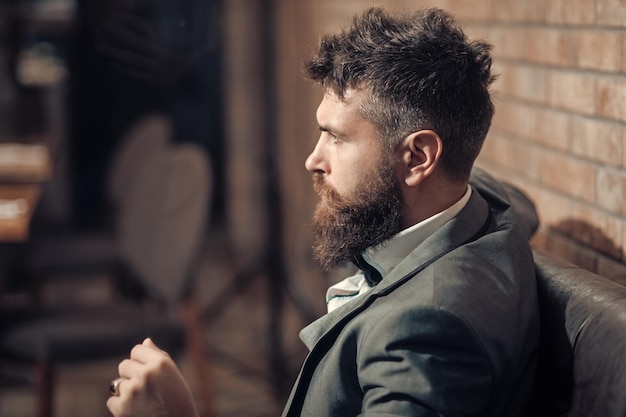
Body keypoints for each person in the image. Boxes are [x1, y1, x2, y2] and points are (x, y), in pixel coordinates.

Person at [106, 7, 540, 417]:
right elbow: (515, 200)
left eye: (336, 137)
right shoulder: (483, 205)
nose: (314, 160)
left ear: (417, 158)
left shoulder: (428, 332)